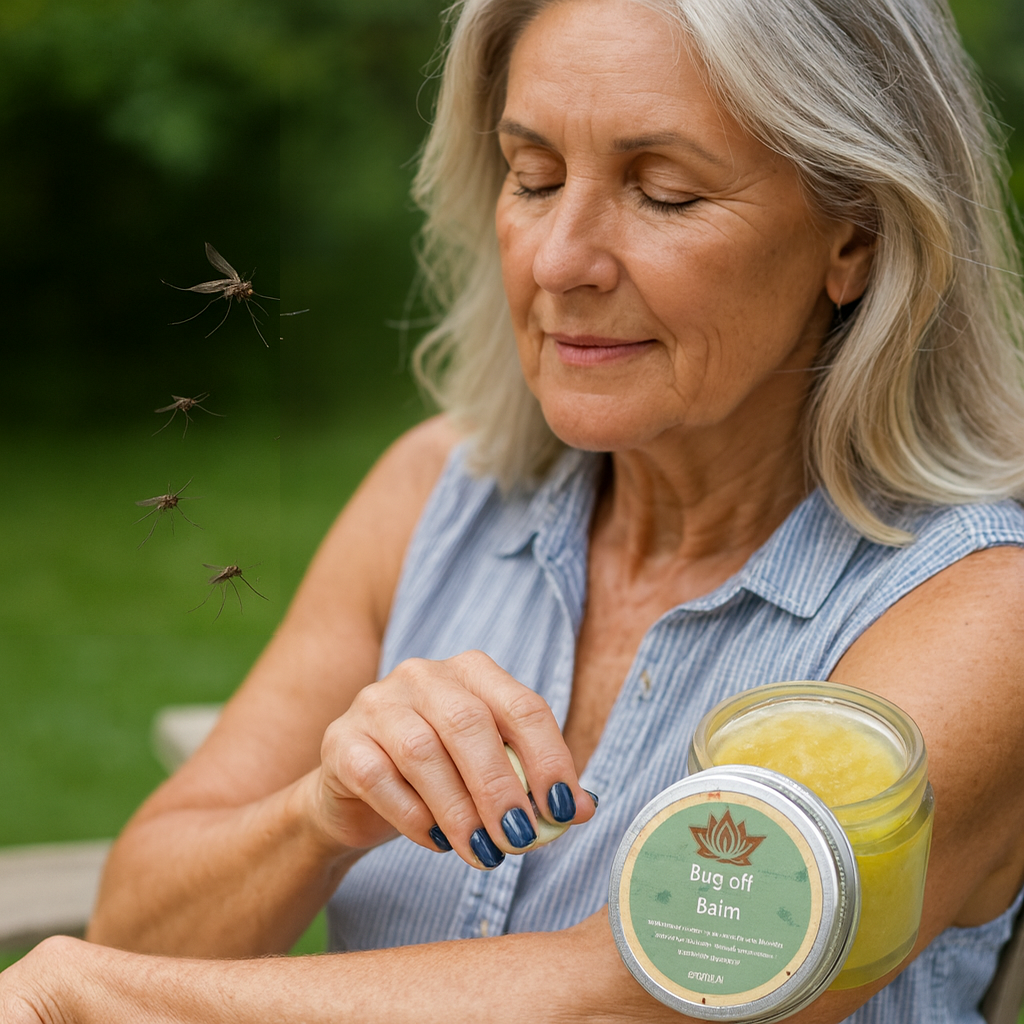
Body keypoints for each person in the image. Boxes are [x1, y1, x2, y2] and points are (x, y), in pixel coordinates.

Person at [3, 0, 1024, 1020]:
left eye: (663, 193)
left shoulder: (978, 616)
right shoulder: (433, 492)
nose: (556, 259)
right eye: (531, 177)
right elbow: (139, 922)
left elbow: (647, 992)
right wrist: (320, 812)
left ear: (855, 235)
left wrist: (95, 993)